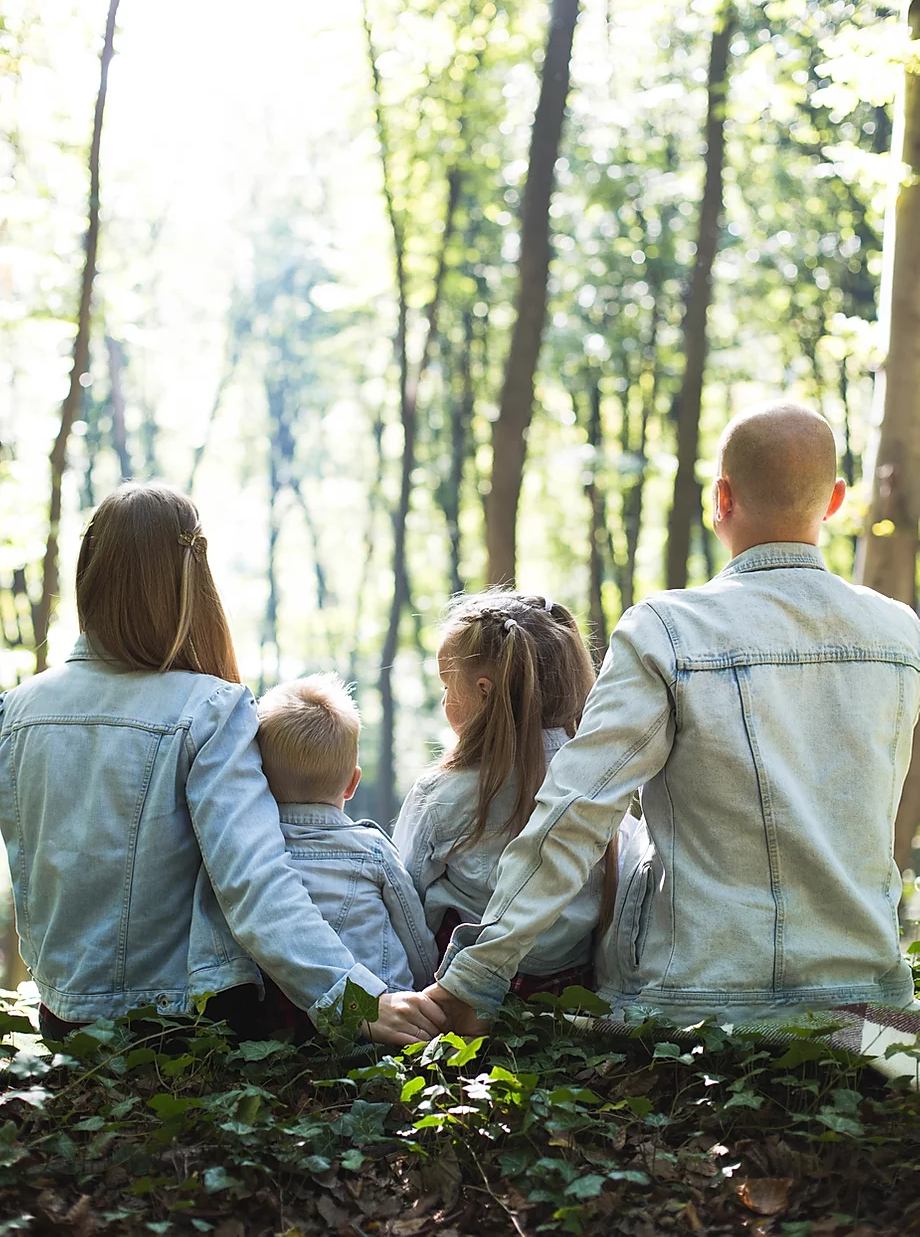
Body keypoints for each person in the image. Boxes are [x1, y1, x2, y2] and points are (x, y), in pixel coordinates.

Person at [425, 402, 920, 1031]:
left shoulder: (668, 631)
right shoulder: (901, 634)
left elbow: (576, 811)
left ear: (721, 498)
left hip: (695, 999)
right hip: (869, 999)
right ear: (835, 501)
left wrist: (477, 976)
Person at [0, 483, 445, 1046]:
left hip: (63, 1021)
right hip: (180, 1028)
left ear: (89, 570)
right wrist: (355, 998)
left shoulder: (15, 710)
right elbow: (254, 881)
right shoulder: (210, 709)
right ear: (191, 582)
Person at [393, 591, 636, 997]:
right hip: (572, 994)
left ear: (484, 692)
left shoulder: (440, 793)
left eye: (447, 685)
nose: (443, 699)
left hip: (459, 995)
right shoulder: (603, 786)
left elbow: (405, 901)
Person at [255, 673, 437, 1004]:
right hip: (383, 1014)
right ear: (352, 783)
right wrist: (426, 985)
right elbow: (415, 939)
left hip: (287, 1021)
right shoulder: (373, 850)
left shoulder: (251, 853)